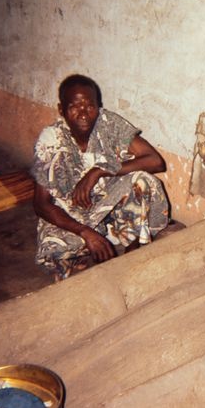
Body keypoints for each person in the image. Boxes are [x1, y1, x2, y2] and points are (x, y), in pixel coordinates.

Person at [31, 74, 169, 280]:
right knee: (55, 250)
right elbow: (41, 204)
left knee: (142, 180)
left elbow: (155, 161)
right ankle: (93, 245)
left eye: (89, 105)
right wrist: (85, 232)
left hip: (110, 207)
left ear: (99, 106)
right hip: (74, 213)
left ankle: (133, 248)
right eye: (74, 106)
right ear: (61, 110)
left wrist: (100, 170)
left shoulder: (108, 123)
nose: (84, 113)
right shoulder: (51, 140)